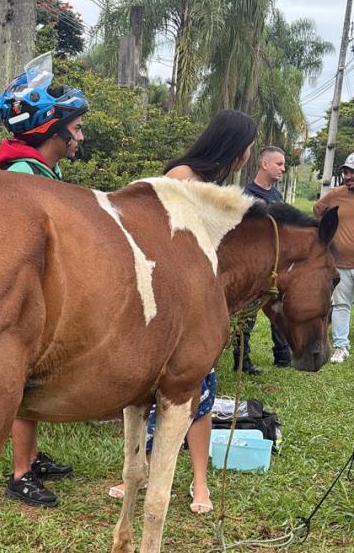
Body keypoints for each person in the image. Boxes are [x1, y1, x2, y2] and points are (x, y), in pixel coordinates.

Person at [110, 109, 257, 514]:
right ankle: (136, 473)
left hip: (198, 307)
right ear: (234, 146)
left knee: (199, 399)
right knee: (150, 396)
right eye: (247, 146)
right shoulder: (181, 178)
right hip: (165, 306)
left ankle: (199, 483)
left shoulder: (216, 186)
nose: (247, 154)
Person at [0, 54, 90, 506]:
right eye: (75, 128)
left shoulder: (42, 171)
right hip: (22, 294)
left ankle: (30, 459)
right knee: (23, 380)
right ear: (51, 129)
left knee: (35, 376)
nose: (80, 136)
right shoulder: (22, 176)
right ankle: (19, 474)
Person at [232, 146, 292, 372]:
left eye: (283, 164)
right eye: (279, 164)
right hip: (252, 267)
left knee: (279, 309)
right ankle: (241, 361)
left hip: (276, 265)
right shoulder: (245, 196)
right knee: (247, 315)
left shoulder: (277, 197)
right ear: (264, 164)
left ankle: (283, 356)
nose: (283, 169)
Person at [314, 153, 354, 363]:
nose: (348, 176)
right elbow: (317, 211)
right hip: (342, 264)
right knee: (341, 305)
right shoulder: (335, 195)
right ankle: (341, 346)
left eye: (352, 172)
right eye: (346, 172)